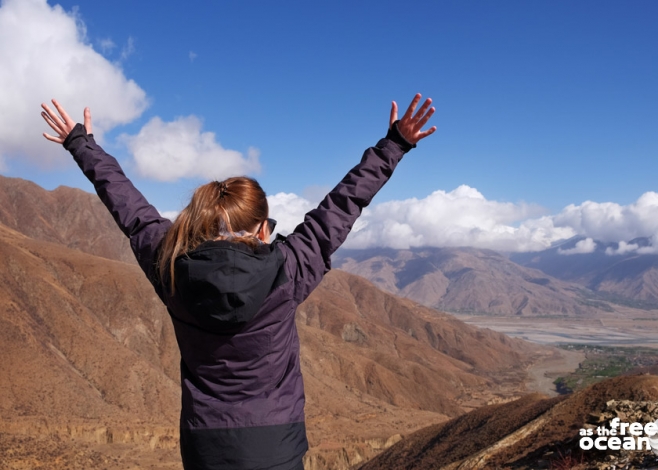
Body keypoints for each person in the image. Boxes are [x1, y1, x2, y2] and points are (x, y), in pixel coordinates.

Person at [40, 94, 436, 470]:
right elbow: (339, 208)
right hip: (277, 445)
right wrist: (394, 145)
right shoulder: (289, 267)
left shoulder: (170, 266)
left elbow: (130, 208)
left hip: (206, 446)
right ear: (263, 227)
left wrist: (81, 144)